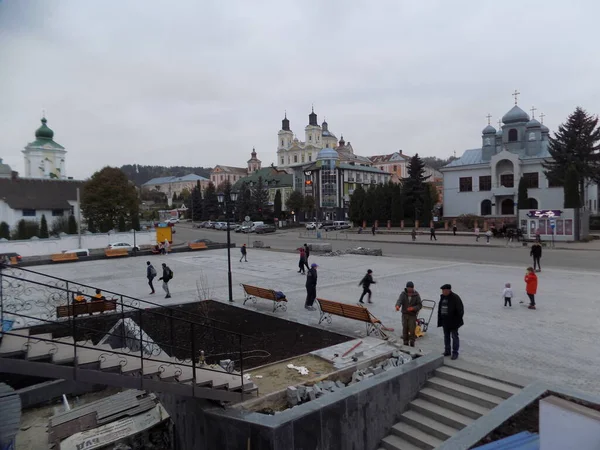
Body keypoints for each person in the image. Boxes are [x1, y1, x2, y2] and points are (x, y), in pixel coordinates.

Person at [437, 284, 464, 360]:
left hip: (453, 322)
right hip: (445, 322)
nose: (443, 292)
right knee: (446, 337)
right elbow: (440, 309)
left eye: (444, 290)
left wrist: (456, 321)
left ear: (448, 290)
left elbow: (460, 310)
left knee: (454, 337)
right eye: (442, 290)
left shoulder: (455, 298)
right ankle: (447, 351)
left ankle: (455, 353)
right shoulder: (443, 297)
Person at [395, 281, 423, 347]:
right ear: (406, 288)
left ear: (413, 288)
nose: (409, 291)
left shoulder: (416, 295)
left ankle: (412, 343)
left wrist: (413, 308)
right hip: (404, 314)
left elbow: (419, 305)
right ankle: (405, 343)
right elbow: (399, 300)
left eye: (410, 289)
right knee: (405, 329)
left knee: (412, 330)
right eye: (408, 289)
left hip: (412, 315)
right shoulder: (403, 294)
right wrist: (397, 306)